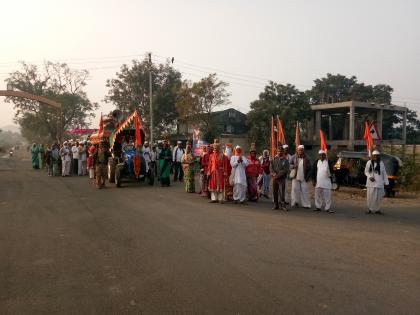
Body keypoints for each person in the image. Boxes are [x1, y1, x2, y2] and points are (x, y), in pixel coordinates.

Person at [365, 150, 389, 215]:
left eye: (377, 156)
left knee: (379, 197)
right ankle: (370, 209)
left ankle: (377, 209)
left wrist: (387, 183)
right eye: (374, 156)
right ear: (372, 156)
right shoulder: (369, 162)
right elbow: (366, 172)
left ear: (379, 157)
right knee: (370, 197)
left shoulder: (381, 163)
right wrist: (370, 177)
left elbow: (384, 173)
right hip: (371, 183)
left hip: (379, 183)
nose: (375, 157)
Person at [271, 146, 290, 210]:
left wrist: (277, 176)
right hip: (274, 178)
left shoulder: (285, 160)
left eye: (281, 151)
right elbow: (271, 167)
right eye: (278, 151)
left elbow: (285, 170)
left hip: (281, 179)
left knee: (282, 192)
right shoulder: (274, 158)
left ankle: (283, 206)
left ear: (283, 152)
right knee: (275, 192)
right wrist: (273, 173)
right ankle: (276, 205)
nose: (279, 152)